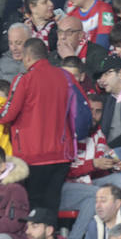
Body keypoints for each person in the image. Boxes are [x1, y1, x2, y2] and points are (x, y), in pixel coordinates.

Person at [0, 38, 78, 211]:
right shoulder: (66, 77)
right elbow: (80, 111)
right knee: (51, 207)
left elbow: (6, 115)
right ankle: (52, 236)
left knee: (32, 209)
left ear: (28, 57)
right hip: (61, 155)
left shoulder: (24, 79)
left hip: (33, 156)